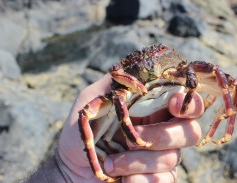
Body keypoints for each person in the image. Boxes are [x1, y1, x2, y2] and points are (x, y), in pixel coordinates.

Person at [24, 74, 203, 183]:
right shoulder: (118, 87)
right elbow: (86, 114)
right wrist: (67, 173)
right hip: (115, 112)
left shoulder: (179, 74)